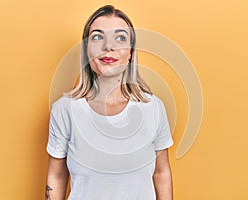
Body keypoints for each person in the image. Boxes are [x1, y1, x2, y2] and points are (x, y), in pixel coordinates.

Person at [45, 5, 174, 200]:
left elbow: (161, 173)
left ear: (130, 52)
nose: (108, 47)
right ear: (86, 50)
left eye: (120, 38)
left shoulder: (153, 108)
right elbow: (57, 175)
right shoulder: (64, 110)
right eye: (97, 37)